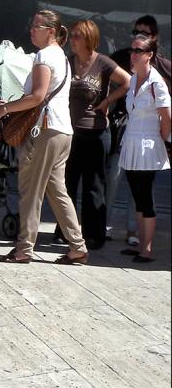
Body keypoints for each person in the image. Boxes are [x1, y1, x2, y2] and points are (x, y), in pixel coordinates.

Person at [0, 9, 88, 265]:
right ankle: (77, 247)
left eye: (36, 26)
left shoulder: (44, 56)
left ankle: (24, 248)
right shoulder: (62, 57)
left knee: (30, 190)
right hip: (62, 130)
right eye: (32, 25)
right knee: (57, 190)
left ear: (51, 32)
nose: (31, 30)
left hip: (45, 130)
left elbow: (37, 96)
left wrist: (5, 109)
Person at [54, 20, 130, 249]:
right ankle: (65, 231)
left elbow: (128, 81)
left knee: (94, 186)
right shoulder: (68, 62)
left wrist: (107, 101)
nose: (72, 39)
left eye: (77, 36)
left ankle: (93, 234)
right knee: (66, 184)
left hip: (97, 133)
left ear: (88, 39)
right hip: (71, 131)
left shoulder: (103, 63)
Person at [108, 15, 172, 247]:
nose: (132, 54)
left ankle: (145, 247)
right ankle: (138, 241)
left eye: (138, 50)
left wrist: (161, 141)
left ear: (150, 53)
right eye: (133, 49)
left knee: (144, 196)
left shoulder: (157, 81)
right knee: (136, 193)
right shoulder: (134, 79)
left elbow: (167, 118)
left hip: (149, 143)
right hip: (132, 141)